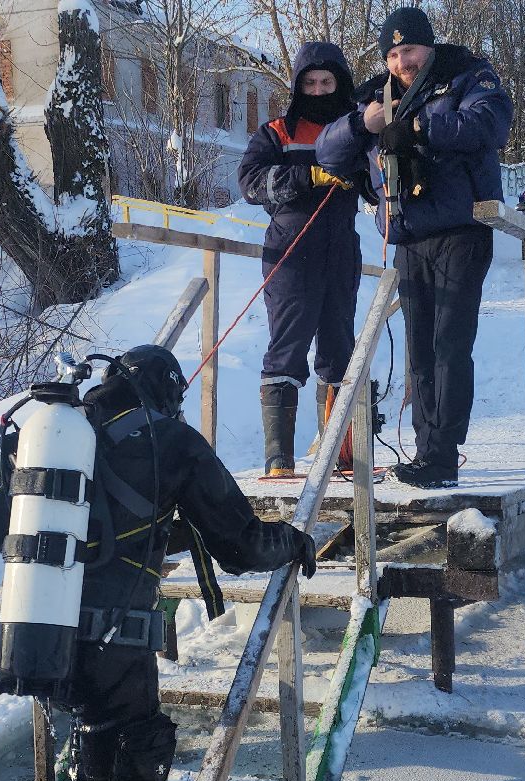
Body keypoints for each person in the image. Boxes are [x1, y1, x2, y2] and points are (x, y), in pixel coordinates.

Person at [0, 345, 317, 781]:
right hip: (117, 650)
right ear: (165, 392)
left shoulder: (53, 432)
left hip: (40, 636)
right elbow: (242, 545)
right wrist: (293, 541)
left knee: (90, 765)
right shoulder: (169, 443)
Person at [316, 6, 512, 489]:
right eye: (394, 53)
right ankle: (427, 451)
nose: (402, 61)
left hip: (461, 229)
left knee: (449, 341)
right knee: (418, 349)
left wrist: (421, 127)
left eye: (410, 50)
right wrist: (364, 124)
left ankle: (442, 456)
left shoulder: (466, 75)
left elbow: (489, 127)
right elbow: (328, 151)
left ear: (429, 47)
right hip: (407, 235)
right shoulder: (375, 97)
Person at [237, 43, 365, 478]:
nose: (318, 89)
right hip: (291, 252)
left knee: (339, 352)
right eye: (309, 82)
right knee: (287, 349)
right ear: (297, 85)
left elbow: (376, 181)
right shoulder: (276, 132)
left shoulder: (355, 128)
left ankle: (339, 455)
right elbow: (251, 184)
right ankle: (279, 461)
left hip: (341, 250)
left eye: (326, 82)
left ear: (339, 83)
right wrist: (306, 175)